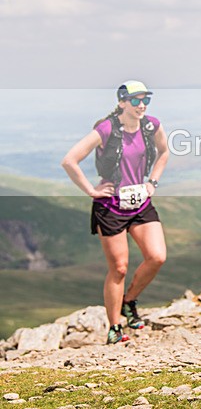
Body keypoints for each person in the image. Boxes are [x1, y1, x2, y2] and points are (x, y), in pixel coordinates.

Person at [62, 81, 169, 344]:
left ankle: (129, 300)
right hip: (110, 206)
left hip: (140, 202)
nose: (141, 105)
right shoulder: (106, 128)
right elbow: (69, 160)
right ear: (122, 102)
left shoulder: (151, 125)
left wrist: (152, 182)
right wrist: (90, 190)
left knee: (157, 257)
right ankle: (115, 328)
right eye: (135, 100)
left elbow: (164, 152)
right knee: (119, 268)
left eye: (145, 99)